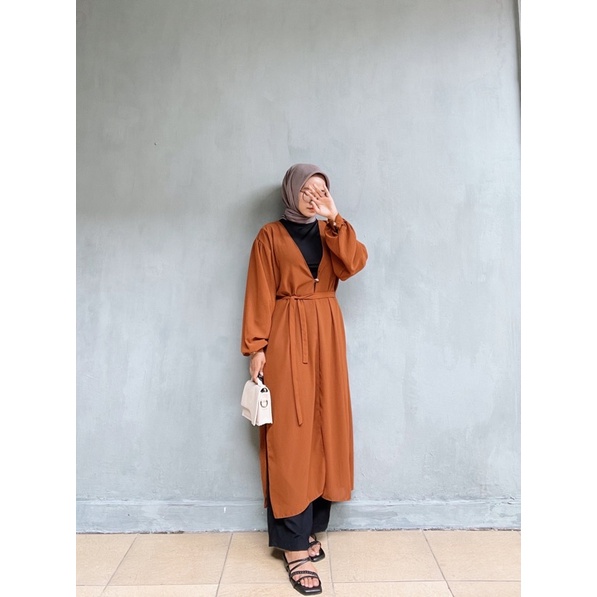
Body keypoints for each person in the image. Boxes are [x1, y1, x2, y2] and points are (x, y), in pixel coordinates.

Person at [241, 163, 368, 595]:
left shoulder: (333, 232)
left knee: (325, 428)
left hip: (327, 336)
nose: (314, 196)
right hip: (286, 335)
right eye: (307, 190)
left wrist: (335, 217)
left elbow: (354, 263)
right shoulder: (269, 237)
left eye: (321, 189)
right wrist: (256, 348)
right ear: (291, 192)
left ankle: (309, 527)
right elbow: (259, 290)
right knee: (291, 436)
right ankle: (293, 546)